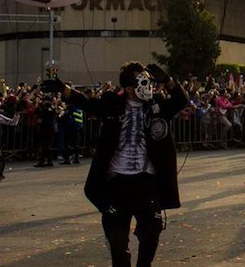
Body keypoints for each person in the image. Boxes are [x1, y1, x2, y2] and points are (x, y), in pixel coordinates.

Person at [62, 62, 188, 267]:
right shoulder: (113, 104)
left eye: (149, 82)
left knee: (151, 232)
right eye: (142, 82)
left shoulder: (157, 105)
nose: (148, 87)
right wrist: (63, 89)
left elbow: (181, 100)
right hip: (117, 183)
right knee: (117, 242)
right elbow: (87, 102)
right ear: (129, 88)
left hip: (146, 182)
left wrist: (167, 81)